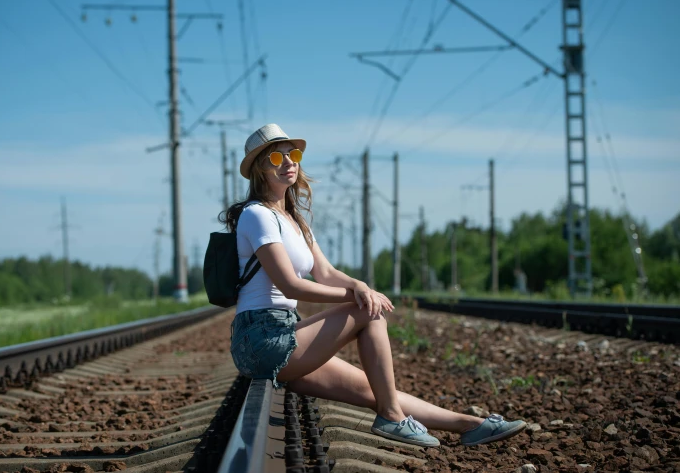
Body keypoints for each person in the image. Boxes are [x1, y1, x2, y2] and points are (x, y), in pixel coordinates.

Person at [222, 123, 527, 447]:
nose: (289, 162)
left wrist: (359, 284)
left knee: (377, 390)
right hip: (260, 340)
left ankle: (471, 424)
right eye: (276, 158)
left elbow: (324, 272)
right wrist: (357, 295)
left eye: (292, 154)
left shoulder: (295, 220)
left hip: (286, 334)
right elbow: (292, 286)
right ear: (259, 169)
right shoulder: (257, 215)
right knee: (368, 311)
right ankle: (392, 420)